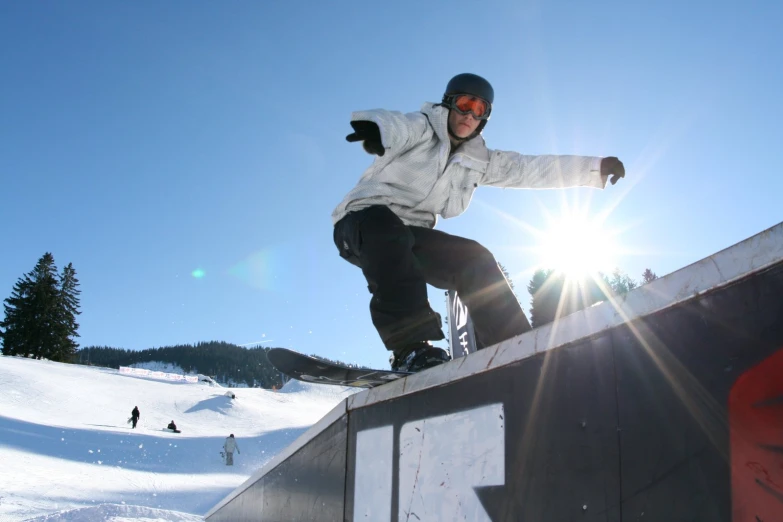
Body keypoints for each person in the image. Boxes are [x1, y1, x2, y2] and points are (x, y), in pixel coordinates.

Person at [333, 73, 626, 373]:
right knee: (389, 232)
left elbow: (531, 169)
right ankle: (410, 349)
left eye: (480, 110)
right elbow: (398, 127)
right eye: (464, 104)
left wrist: (594, 168)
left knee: (474, 258)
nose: (470, 115)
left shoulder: (479, 161)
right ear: (448, 104)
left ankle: (516, 348)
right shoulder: (422, 129)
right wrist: (378, 128)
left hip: (409, 238)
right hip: (360, 224)